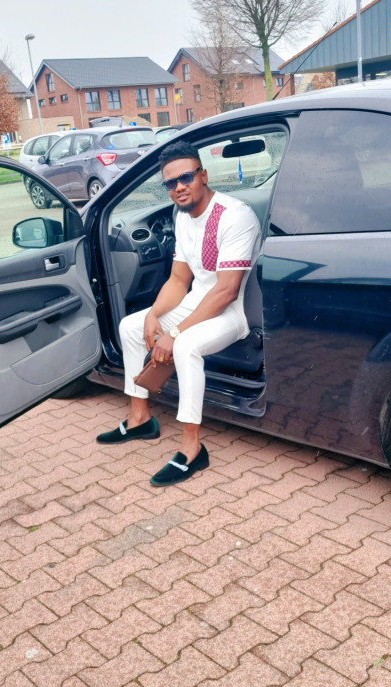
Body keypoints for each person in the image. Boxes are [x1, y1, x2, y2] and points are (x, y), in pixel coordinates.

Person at [97, 140, 261, 486]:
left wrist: (174, 333)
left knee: (185, 346)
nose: (179, 187)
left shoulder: (234, 215)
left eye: (186, 177)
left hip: (232, 312)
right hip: (197, 302)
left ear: (203, 175)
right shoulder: (182, 216)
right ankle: (140, 419)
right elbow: (178, 279)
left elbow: (226, 290)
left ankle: (191, 448)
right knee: (131, 326)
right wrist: (154, 315)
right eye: (170, 183)